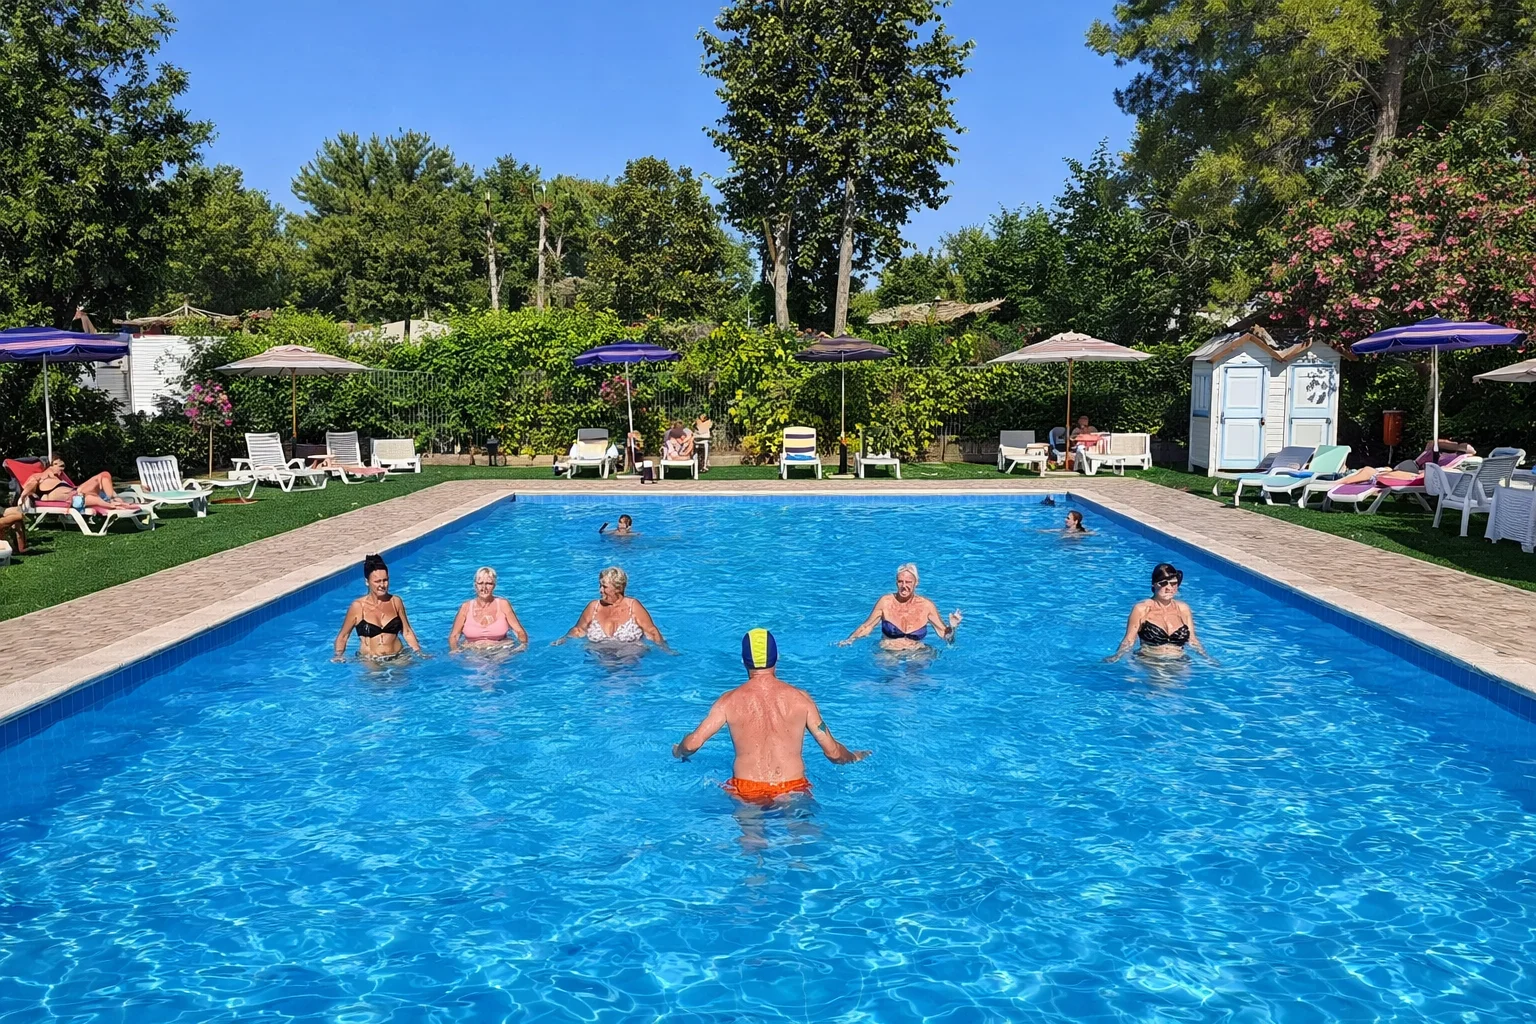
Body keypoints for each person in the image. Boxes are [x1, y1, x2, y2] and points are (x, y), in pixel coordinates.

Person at [673, 628, 869, 804]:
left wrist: (678, 750)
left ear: (743, 660)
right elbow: (833, 753)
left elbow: (693, 744)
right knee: (802, 837)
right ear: (777, 658)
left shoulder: (729, 700)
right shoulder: (800, 699)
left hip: (746, 789)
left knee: (751, 841)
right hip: (792, 787)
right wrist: (853, 756)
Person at [840, 563, 961, 650]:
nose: (904, 586)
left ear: (916, 583)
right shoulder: (885, 602)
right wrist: (850, 640)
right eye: (900, 581)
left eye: (908, 582)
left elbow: (948, 639)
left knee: (920, 682)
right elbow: (867, 626)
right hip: (889, 652)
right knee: (891, 682)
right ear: (896, 582)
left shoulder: (926, 606)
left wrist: (953, 627)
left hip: (916, 652)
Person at [1106, 562, 1210, 662]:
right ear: (1154, 585)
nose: (1169, 588)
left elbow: (1192, 640)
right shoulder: (1141, 609)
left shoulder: (1183, 609)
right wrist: (1116, 657)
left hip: (1179, 660)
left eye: (1173, 583)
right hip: (1150, 660)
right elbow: (1129, 640)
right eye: (1163, 583)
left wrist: (1207, 659)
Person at [333, 553, 423, 660]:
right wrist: (338, 655)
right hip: (370, 659)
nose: (382, 585)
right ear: (367, 582)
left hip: (398, 656)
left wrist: (418, 652)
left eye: (385, 580)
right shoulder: (357, 607)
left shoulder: (395, 602)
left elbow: (407, 631)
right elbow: (343, 636)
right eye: (377, 581)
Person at [555, 566, 667, 647]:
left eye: (604, 587)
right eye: (600, 586)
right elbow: (578, 630)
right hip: (599, 663)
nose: (600, 590)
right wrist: (563, 640)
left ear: (618, 588)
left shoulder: (633, 606)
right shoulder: (594, 607)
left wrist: (665, 650)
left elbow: (652, 631)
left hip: (629, 663)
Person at [448, 566, 529, 652]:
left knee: (497, 660)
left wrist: (522, 647)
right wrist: (455, 650)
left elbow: (520, 632)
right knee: (476, 662)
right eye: (480, 583)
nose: (484, 587)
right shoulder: (466, 607)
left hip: (501, 649)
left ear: (494, 585)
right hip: (473, 650)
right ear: (475, 585)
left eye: (489, 583)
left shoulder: (503, 604)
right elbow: (454, 636)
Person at [18, 457, 137, 511]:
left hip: (78, 492)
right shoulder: (40, 477)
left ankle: (114, 499)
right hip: (75, 498)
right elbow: (29, 485)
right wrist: (22, 496)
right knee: (103, 503)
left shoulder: (60, 479)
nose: (62, 470)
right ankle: (115, 504)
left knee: (104, 475)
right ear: (51, 466)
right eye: (60, 466)